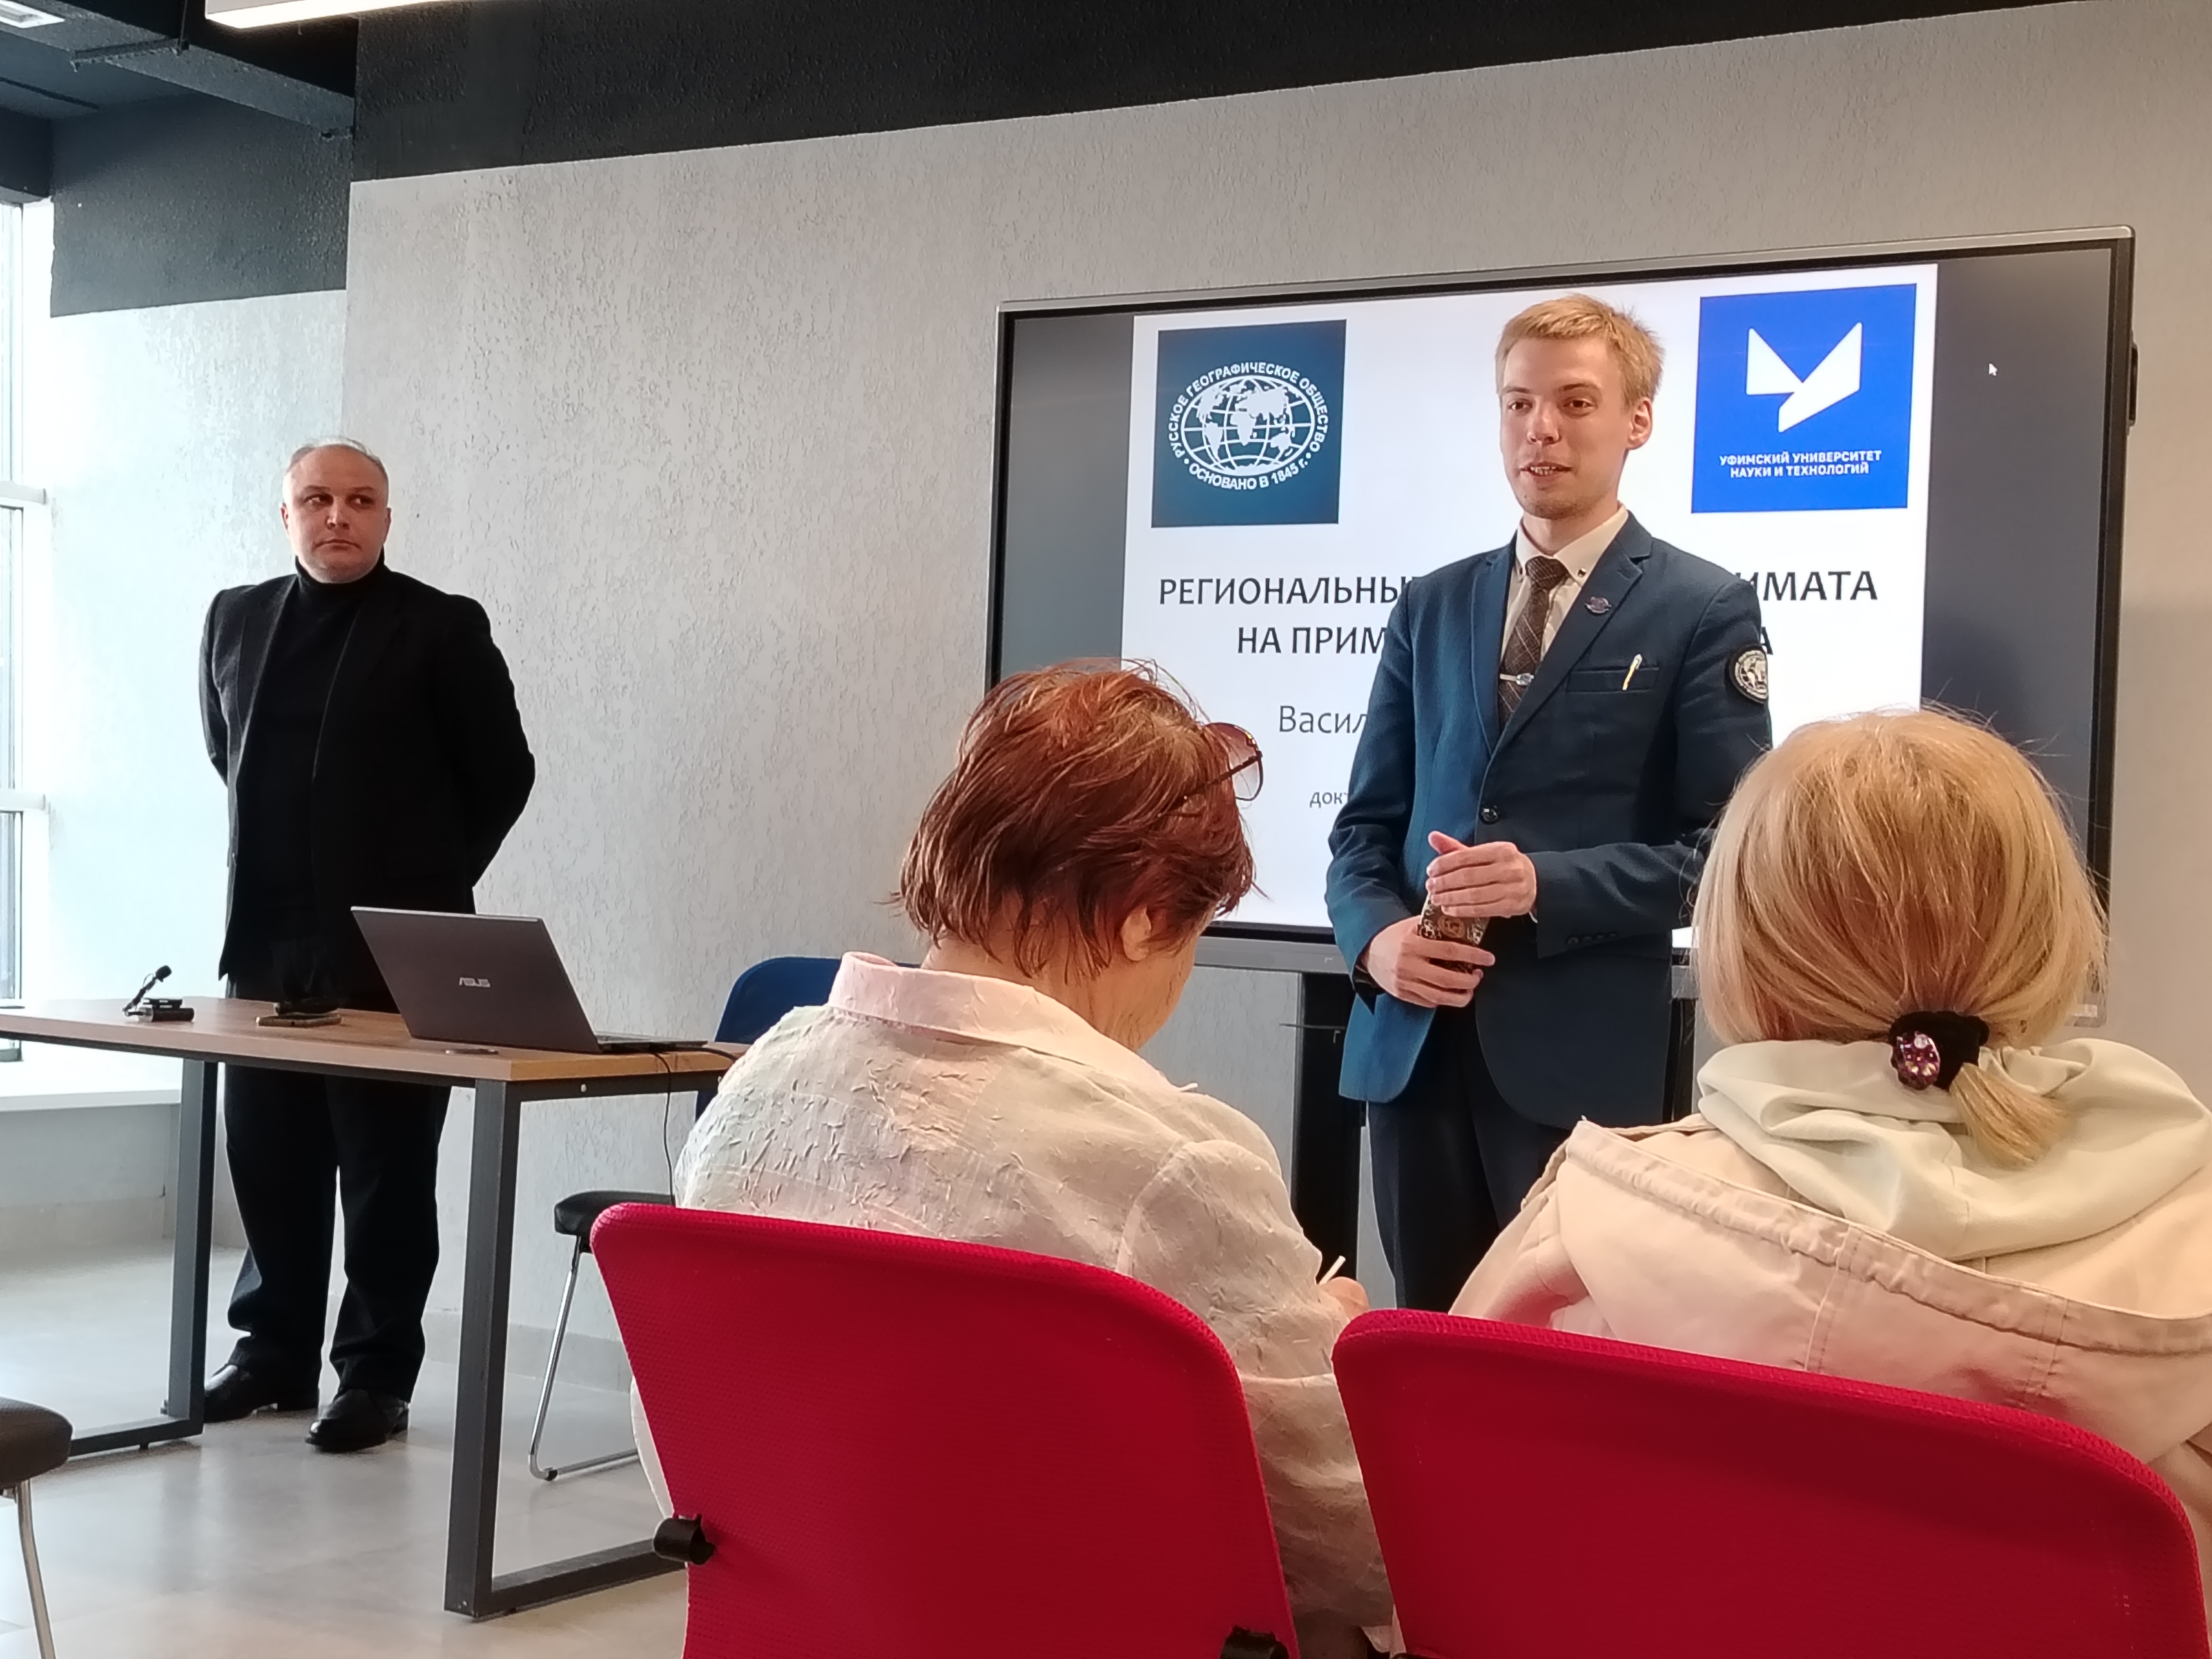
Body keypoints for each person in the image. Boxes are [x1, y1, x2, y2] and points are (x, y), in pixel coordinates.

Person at [646, 664, 1392, 1654]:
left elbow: (695, 1456)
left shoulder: (756, 1088)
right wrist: (1336, 1358)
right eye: (1195, 936)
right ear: (1144, 916)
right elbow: (1356, 1547)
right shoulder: (1171, 1160)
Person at [1454, 709, 2212, 1619]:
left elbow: (1453, 1551)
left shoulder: (1583, 1231)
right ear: (2050, 938)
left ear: (1747, 949)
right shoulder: (2194, 1228)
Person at [1325, 294, 1772, 1311]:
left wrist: (1545, 886)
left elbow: (1731, 856)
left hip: (1577, 1065)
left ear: (1637, 420)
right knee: (1427, 1340)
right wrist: (1373, 944)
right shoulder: (1431, 602)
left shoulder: (1702, 607)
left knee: (1558, 1355)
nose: (1542, 430)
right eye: (1519, 403)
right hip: (1412, 1049)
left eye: (1575, 402)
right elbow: (1363, 832)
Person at [197, 439, 536, 1453]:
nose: (337, 516)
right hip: (266, 939)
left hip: (395, 949)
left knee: (385, 1167)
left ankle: (376, 1376)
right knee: (268, 1152)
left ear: (388, 517)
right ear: (286, 515)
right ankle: (272, 1354)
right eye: (316, 499)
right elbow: (224, 749)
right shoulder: (235, 618)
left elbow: (504, 774)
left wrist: (426, 881)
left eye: (360, 500)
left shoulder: (440, 626)